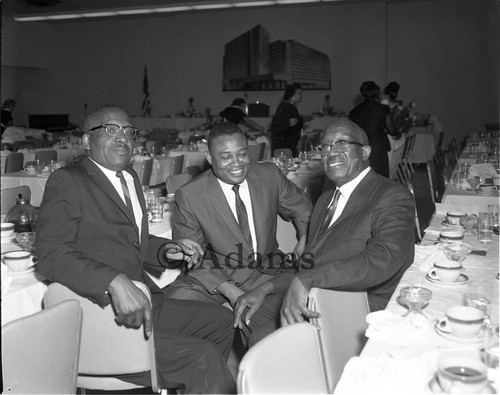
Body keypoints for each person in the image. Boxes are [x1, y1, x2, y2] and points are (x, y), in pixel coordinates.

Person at [37, 105, 237, 394]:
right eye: (110, 129)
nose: (123, 137)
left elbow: (132, 242)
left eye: (129, 132)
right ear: (85, 142)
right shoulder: (68, 181)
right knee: (202, 358)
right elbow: (52, 254)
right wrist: (111, 281)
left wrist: (168, 251)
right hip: (106, 314)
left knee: (221, 320)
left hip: (147, 302)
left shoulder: (129, 177)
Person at [166, 121, 313, 347]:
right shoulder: (190, 195)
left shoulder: (269, 176)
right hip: (216, 274)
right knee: (169, 315)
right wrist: (231, 291)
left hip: (266, 271)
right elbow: (193, 257)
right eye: (225, 157)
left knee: (275, 334)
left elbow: (304, 210)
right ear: (209, 157)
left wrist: (303, 238)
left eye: (242, 154)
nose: (236, 163)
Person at [280, 118, 415, 324]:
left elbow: (384, 257)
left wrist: (307, 280)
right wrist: (265, 288)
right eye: (325, 145)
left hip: (360, 312)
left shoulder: (391, 195)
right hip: (317, 301)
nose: (331, 152)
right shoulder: (325, 199)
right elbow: (311, 261)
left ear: (365, 152)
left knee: (264, 344)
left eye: (343, 143)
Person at [349, 81, 399, 178]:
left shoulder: (354, 111)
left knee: (361, 178)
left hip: (360, 147)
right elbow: (392, 130)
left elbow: (352, 131)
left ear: (363, 94)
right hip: (378, 146)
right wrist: (398, 134)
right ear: (378, 93)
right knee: (380, 178)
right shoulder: (383, 109)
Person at [270, 83, 303, 157]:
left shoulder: (284, 106)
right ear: (292, 95)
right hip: (285, 145)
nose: (301, 96)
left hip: (284, 143)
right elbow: (290, 124)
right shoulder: (288, 107)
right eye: (299, 93)